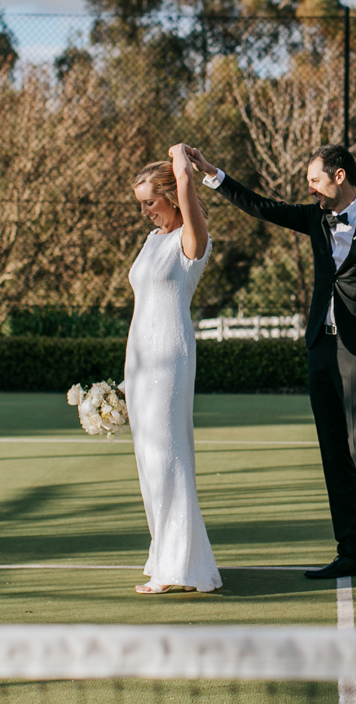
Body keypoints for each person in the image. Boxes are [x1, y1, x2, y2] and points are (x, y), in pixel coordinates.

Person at [182, 142, 356, 589]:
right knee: (334, 455)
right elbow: (261, 207)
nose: (308, 188)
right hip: (320, 351)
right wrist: (213, 174)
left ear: (339, 176)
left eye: (313, 179)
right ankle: (352, 552)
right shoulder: (314, 218)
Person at [125, 145, 221, 594]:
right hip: (141, 357)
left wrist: (181, 157)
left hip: (171, 356)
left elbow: (185, 180)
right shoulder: (151, 241)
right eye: (141, 203)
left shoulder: (192, 240)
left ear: (172, 195)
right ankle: (165, 554)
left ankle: (178, 567)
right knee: (148, 461)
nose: (145, 211)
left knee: (168, 458)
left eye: (150, 201)